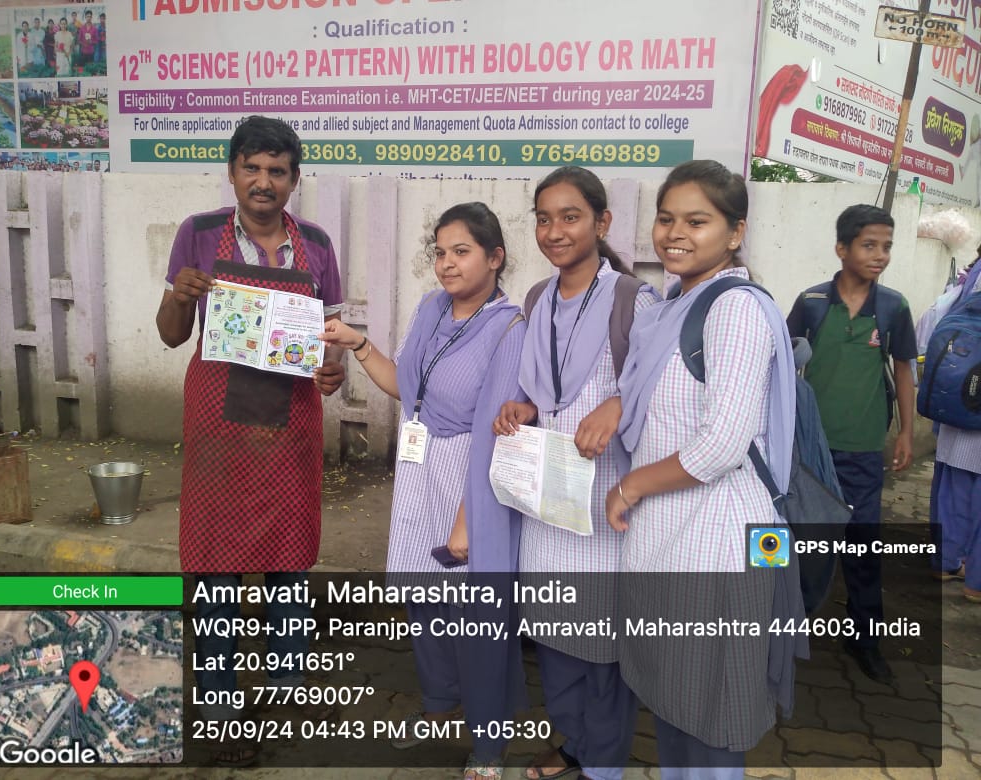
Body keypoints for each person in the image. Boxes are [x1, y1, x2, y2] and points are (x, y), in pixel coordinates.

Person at [155, 115, 345, 766]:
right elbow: (171, 334)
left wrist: (334, 370)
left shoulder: (316, 244)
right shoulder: (199, 235)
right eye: (252, 167)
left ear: (294, 179)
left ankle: (285, 692)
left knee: (289, 563)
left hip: (291, 425)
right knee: (217, 565)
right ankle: (218, 705)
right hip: (218, 427)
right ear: (233, 171)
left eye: (278, 170)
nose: (264, 182)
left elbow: (330, 339)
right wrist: (181, 297)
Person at [609, 159, 804, 776]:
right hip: (676, 535)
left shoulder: (735, 310)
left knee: (716, 711)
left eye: (698, 220)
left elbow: (723, 444)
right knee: (676, 698)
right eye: (666, 218)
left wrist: (633, 484)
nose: (675, 233)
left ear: (735, 232)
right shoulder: (672, 305)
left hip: (727, 541)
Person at [321, 202, 527, 780]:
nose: (446, 264)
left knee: (475, 616)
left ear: (494, 258)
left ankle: (490, 744)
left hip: (471, 475)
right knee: (424, 599)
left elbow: (495, 433)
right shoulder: (433, 307)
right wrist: (357, 344)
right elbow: (403, 385)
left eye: (461, 252)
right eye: (439, 252)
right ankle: (442, 706)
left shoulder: (510, 327)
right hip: (419, 470)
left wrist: (469, 519)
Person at [494, 166, 660, 780]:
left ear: (602, 222)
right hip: (550, 490)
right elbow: (546, 384)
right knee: (554, 627)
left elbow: (659, 380)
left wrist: (618, 403)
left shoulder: (631, 298)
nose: (555, 230)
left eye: (571, 216)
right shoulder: (538, 298)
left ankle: (604, 761)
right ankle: (575, 743)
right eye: (544, 218)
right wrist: (525, 407)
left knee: (603, 643)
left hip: (604, 495)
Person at [787, 204, 916, 685]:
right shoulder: (812, 302)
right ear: (841, 249)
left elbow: (903, 367)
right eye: (868, 245)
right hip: (809, 451)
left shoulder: (894, 307)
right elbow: (780, 364)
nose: (879, 255)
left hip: (863, 449)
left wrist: (904, 430)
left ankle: (865, 640)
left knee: (862, 546)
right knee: (789, 542)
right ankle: (774, 630)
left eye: (886, 246)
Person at [927, 256, 981, 601]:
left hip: (957, 404)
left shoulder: (971, 276)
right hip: (971, 408)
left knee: (952, 493)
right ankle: (976, 582)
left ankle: (945, 562)